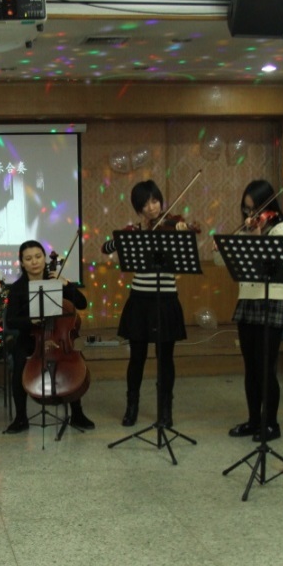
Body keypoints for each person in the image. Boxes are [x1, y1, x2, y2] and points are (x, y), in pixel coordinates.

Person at [101, 179, 193, 428]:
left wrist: (183, 235)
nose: (152, 207)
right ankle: (132, 406)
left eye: (155, 201)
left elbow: (186, 255)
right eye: (145, 204)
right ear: (138, 208)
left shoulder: (173, 226)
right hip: (140, 299)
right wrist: (122, 239)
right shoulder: (134, 231)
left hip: (166, 299)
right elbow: (105, 247)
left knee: (165, 359)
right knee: (137, 357)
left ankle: (166, 410)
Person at [223, 180, 283, 443]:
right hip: (248, 299)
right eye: (247, 209)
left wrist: (254, 237)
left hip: (272, 299)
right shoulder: (247, 229)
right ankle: (253, 420)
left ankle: (271, 423)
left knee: (266, 366)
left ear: (269, 205)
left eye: (255, 209)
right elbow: (223, 261)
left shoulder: (281, 228)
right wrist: (223, 248)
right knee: (251, 366)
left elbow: (268, 264)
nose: (251, 214)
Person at [2, 240, 95, 434]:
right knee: (19, 365)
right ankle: (21, 418)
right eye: (28, 258)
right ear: (22, 262)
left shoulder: (56, 280)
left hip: (59, 337)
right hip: (31, 339)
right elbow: (11, 320)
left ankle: (77, 413)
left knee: (71, 364)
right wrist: (31, 321)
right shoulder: (18, 288)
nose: (34, 261)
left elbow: (82, 303)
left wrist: (67, 285)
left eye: (38, 256)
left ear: (44, 258)